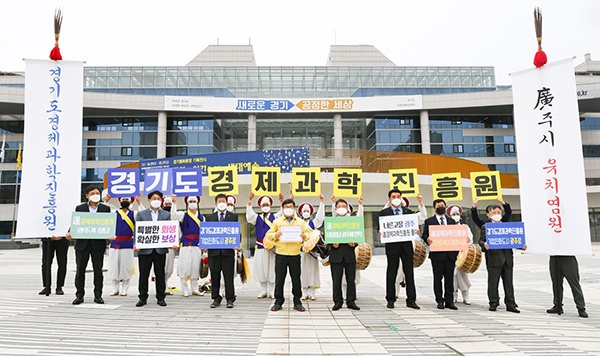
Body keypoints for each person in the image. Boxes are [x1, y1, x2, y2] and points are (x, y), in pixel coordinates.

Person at [66, 185, 112, 305]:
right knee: (80, 271)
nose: (95, 195)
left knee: (98, 271)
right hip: (82, 244)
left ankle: (98, 296)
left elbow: (108, 225)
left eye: (97, 193)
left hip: (98, 244)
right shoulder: (80, 208)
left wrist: (111, 234)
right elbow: (76, 223)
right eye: (92, 193)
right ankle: (79, 296)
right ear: (87, 195)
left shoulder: (105, 209)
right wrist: (70, 232)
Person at [265, 198, 312, 312]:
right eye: (286, 207)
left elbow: (309, 233)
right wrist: (276, 235)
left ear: (294, 209)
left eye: (290, 207)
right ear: (282, 209)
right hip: (281, 254)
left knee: (296, 279)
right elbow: (268, 234)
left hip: (295, 254)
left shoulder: (300, 222)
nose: (288, 209)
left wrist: (305, 237)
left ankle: (297, 301)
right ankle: (278, 301)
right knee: (280, 279)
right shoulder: (277, 222)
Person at [378, 189, 421, 310]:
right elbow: (379, 228)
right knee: (391, 272)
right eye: (393, 196)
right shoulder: (384, 213)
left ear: (401, 198)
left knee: (409, 273)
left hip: (406, 247)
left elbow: (415, 228)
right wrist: (380, 232)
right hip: (392, 247)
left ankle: (411, 300)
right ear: (390, 199)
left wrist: (417, 232)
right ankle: (390, 299)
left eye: (398, 196)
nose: (396, 198)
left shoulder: (408, 212)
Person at [477, 203, 524, 313]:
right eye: (494, 213)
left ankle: (511, 304)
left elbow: (514, 240)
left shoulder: (507, 226)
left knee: (509, 282)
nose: (497, 214)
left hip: (507, 258)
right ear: (488, 215)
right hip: (494, 258)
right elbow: (481, 241)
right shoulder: (486, 227)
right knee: (493, 282)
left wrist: (521, 245)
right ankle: (493, 302)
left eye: (498, 212)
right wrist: (484, 245)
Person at [134, 190, 173, 307]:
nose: (156, 201)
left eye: (158, 199)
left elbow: (169, 230)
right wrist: (136, 244)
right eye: (153, 198)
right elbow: (137, 230)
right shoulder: (141, 214)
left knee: (160, 274)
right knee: (144, 274)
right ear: (149, 200)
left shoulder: (166, 215)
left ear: (161, 201)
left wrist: (172, 242)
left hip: (160, 249)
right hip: (145, 249)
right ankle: (142, 297)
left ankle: (161, 297)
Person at [422, 199, 458, 310]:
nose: (441, 207)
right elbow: (424, 235)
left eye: (443, 205)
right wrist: (427, 239)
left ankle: (449, 301)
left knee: (449, 279)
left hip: (450, 254)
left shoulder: (452, 221)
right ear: (434, 208)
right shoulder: (429, 221)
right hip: (437, 255)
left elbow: (456, 236)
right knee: (438, 279)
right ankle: (439, 300)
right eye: (438, 205)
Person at [205, 193, 239, 308]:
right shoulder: (209, 218)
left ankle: (230, 298)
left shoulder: (233, 216)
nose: (221, 203)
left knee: (228, 276)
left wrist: (237, 243)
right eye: (219, 201)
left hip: (227, 252)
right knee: (214, 276)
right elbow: (206, 234)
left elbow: (236, 233)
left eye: (223, 201)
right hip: (214, 253)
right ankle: (216, 298)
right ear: (215, 203)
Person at [329, 197, 362, 311]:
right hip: (336, 255)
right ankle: (337, 302)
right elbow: (327, 238)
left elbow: (358, 236)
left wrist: (354, 244)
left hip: (349, 254)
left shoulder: (352, 221)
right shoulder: (331, 221)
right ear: (335, 208)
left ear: (348, 208)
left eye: (344, 206)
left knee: (350, 280)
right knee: (336, 280)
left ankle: (351, 301)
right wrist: (333, 244)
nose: (341, 208)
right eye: (339, 206)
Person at [171, 195, 204, 297]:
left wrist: (204, 246)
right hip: (185, 244)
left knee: (195, 267)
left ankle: (195, 289)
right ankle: (184, 289)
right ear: (187, 203)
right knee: (184, 267)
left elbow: (204, 232)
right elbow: (173, 216)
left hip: (197, 244)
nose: (193, 203)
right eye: (191, 201)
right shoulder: (183, 215)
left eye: (194, 201)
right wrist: (174, 203)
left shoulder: (202, 217)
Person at [246, 193, 278, 299]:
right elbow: (249, 216)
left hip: (272, 248)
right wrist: (249, 202)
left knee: (272, 269)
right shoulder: (257, 218)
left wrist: (282, 201)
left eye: (267, 204)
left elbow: (283, 214)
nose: (265, 206)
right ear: (260, 206)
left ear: (270, 206)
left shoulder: (275, 217)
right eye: (263, 204)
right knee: (261, 268)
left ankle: (272, 291)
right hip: (260, 247)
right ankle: (263, 290)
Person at [298, 195, 325, 300]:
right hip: (302, 251)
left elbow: (320, 217)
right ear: (301, 213)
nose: (306, 212)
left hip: (313, 252)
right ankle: (304, 291)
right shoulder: (298, 223)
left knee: (312, 270)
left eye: (307, 210)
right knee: (302, 270)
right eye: (304, 210)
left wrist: (322, 203)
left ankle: (312, 291)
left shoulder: (313, 223)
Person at [108, 197, 135, 297]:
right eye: (123, 199)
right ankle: (115, 289)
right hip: (115, 243)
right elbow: (102, 214)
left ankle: (125, 289)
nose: (125, 201)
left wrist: (139, 201)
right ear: (119, 201)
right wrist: (106, 200)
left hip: (128, 243)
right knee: (114, 266)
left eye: (127, 200)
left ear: (130, 201)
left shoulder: (134, 214)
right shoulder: (113, 213)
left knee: (126, 266)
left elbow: (143, 216)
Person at [447, 205, 474, 305]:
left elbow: (470, 239)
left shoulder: (465, 227)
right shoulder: (447, 228)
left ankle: (465, 294)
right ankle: (454, 294)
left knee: (462, 273)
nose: (455, 216)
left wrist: (468, 240)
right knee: (452, 274)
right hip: (450, 253)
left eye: (457, 214)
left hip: (463, 254)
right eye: (453, 214)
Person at [161, 196, 176, 295]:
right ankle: (162, 288)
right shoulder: (159, 216)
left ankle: (165, 286)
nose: (168, 206)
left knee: (169, 269)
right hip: (161, 246)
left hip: (171, 246)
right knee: (161, 268)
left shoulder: (174, 217)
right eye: (166, 204)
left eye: (170, 204)